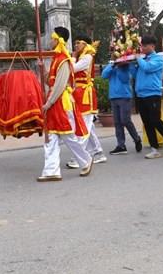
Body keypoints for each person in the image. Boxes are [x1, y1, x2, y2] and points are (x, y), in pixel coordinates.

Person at [37, 27, 92, 181]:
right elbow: (50, 82)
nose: (50, 41)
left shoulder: (64, 60)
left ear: (58, 40)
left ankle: (86, 159)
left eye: (52, 38)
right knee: (51, 137)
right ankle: (51, 170)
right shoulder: (55, 60)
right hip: (54, 101)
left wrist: (48, 104)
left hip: (61, 102)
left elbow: (60, 86)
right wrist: (43, 71)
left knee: (68, 136)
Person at [66, 35, 106, 168]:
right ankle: (97, 152)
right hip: (79, 92)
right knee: (88, 125)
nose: (76, 45)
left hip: (85, 94)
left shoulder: (87, 57)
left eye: (78, 43)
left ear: (85, 44)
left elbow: (73, 68)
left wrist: (71, 57)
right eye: (75, 43)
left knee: (84, 125)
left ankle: (81, 157)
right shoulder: (82, 56)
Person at [134, 35, 163, 159]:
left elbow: (148, 68)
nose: (143, 48)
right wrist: (130, 64)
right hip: (140, 94)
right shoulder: (142, 59)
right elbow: (136, 74)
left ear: (152, 46)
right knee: (147, 122)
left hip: (152, 94)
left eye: (145, 46)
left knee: (155, 120)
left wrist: (138, 59)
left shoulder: (158, 59)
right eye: (142, 46)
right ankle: (154, 148)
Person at [101, 60, 141, 154]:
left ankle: (136, 138)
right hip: (113, 96)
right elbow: (104, 75)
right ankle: (121, 145)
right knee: (117, 122)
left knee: (125, 120)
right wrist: (112, 65)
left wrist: (119, 67)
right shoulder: (111, 65)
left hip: (124, 96)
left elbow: (124, 79)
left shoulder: (125, 67)